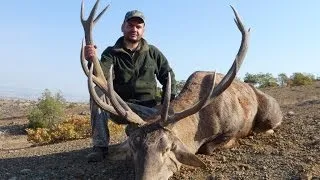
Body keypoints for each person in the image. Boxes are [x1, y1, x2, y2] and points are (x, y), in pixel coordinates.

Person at [84, 10, 177, 162]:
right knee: (98, 93)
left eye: (138, 26)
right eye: (130, 25)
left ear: (143, 30)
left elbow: (168, 76)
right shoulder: (111, 53)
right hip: (121, 107)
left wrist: (170, 101)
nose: (134, 29)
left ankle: (136, 131)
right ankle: (100, 147)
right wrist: (91, 60)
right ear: (123, 27)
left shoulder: (153, 53)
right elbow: (101, 77)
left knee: (170, 121)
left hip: (148, 110)